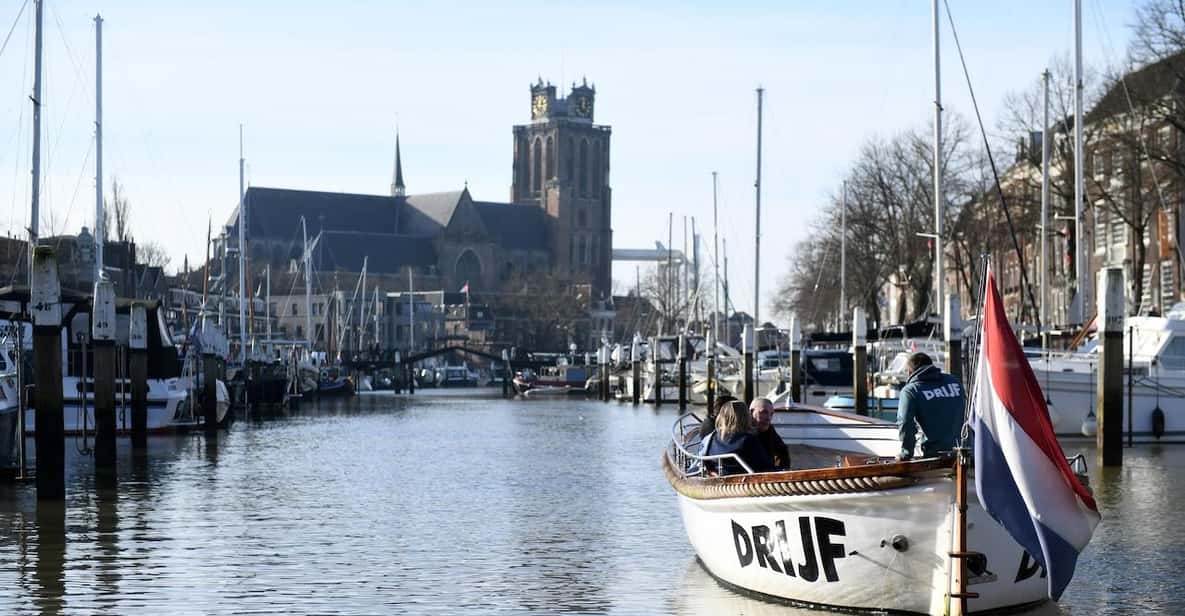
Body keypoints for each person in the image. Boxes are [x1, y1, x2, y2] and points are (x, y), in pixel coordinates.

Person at [896, 352, 964, 460]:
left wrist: (906, 453)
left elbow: (905, 423)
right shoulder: (954, 382)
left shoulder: (911, 390)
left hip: (934, 455)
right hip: (962, 453)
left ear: (909, 372)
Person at [702, 400, 775, 475]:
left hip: (717, 478)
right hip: (743, 480)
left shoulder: (710, 438)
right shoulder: (748, 440)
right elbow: (766, 467)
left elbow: (704, 460)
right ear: (746, 417)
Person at [750, 397, 790, 470]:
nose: (768, 418)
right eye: (764, 412)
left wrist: (781, 470)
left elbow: (783, 451)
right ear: (751, 412)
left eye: (771, 414)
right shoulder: (742, 432)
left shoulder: (769, 430)